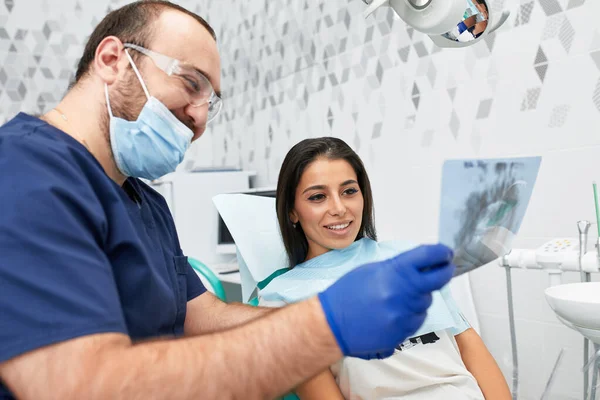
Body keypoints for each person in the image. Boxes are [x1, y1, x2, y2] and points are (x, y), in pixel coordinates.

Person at [0, 1, 456, 399]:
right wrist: (324, 325)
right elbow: (80, 386)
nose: (199, 120)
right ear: (113, 59)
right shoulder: (25, 169)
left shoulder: (145, 202)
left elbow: (203, 316)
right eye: (191, 83)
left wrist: (331, 310)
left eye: (210, 100)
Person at [257, 137, 511, 399]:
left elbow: (470, 347)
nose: (339, 208)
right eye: (318, 197)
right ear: (292, 212)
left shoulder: (410, 257)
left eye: (349, 191)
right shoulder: (282, 298)